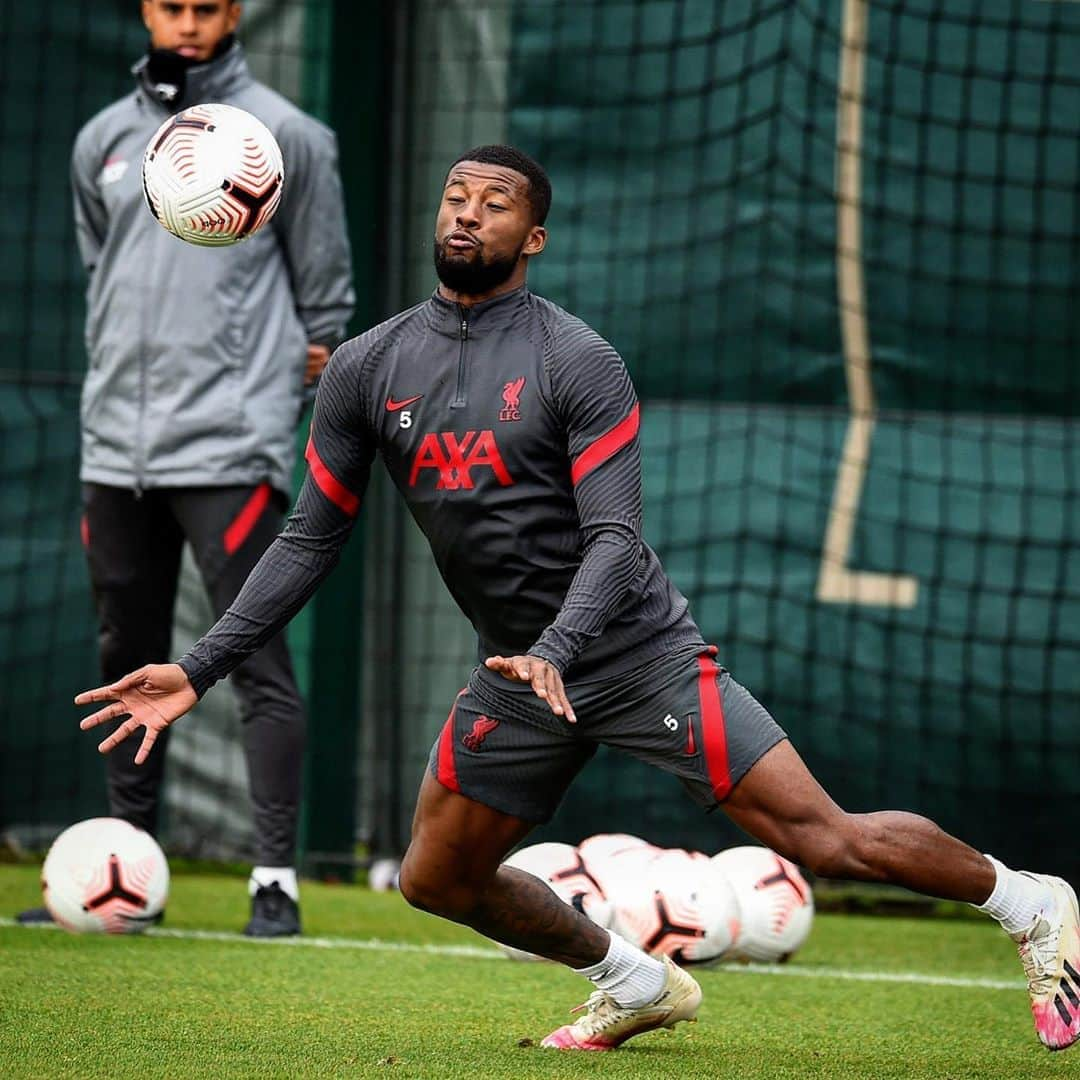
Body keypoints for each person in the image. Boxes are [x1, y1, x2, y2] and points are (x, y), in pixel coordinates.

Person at [74, 144, 1078, 1052]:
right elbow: (308, 538)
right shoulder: (370, 367)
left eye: (496, 204)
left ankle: (1030, 903)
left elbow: (614, 539)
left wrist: (560, 644)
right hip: (517, 669)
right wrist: (199, 666)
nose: (468, 214)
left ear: (534, 236)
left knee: (824, 837)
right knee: (435, 879)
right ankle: (635, 981)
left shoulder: (577, 359)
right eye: (456, 197)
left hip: (635, 652)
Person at [20, 0, 354, 937]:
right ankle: (130, 865)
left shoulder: (292, 139)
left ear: (236, 11)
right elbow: (104, 276)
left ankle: (274, 880)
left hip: (227, 447)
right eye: (175, 6)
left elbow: (326, 312)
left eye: (209, 7)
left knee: (254, 658)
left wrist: (264, 411)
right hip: (113, 450)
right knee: (122, 659)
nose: (192, 23)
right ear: (146, 10)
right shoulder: (102, 139)